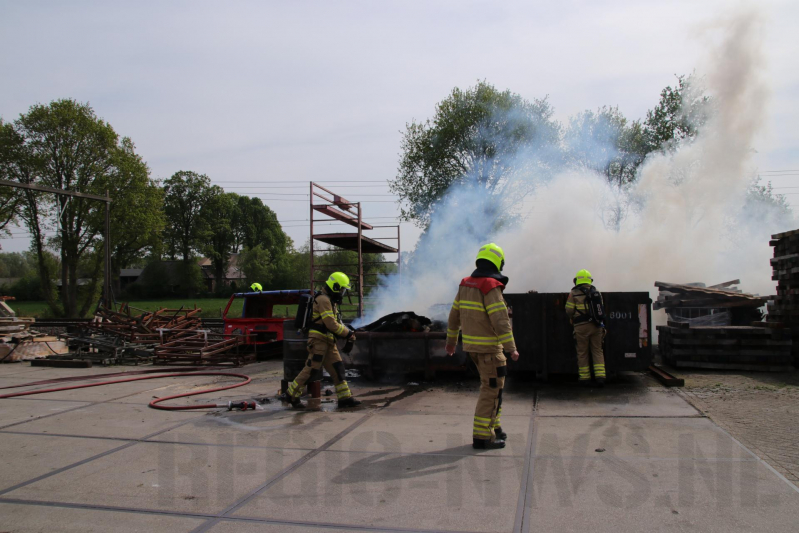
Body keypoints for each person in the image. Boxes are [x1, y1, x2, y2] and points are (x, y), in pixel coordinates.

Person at [446, 243, 519, 449]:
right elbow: (500, 320)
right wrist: (511, 348)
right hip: (490, 351)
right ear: (498, 262)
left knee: (495, 389)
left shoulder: (466, 284)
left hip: (473, 349)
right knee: (491, 390)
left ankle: (495, 428)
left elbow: (454, 316)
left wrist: (451, 344)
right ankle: (482, 437)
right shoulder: (490, 285)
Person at [281, 272, 361, 408]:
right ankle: (291, 396)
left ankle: (344, 398)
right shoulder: (324, 300)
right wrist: (347, 334)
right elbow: (330, 324)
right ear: (335, 287)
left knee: (338, 369)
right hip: (319, 340)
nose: (342, 293)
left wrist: (347, 330)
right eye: (341, 289)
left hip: (328, 341)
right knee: (311, 370)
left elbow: (335, 322)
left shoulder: (330, 300)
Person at [565, 269, 606, 386]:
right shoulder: (596, 292)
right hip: (597, 326)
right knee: (597, 351)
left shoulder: (574, 293)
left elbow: (569, 310)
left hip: (581, 327)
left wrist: (572, 317)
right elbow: (601, 309)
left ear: (577, 280)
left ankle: (584, 378)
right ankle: (600, 377)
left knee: (582, 352)